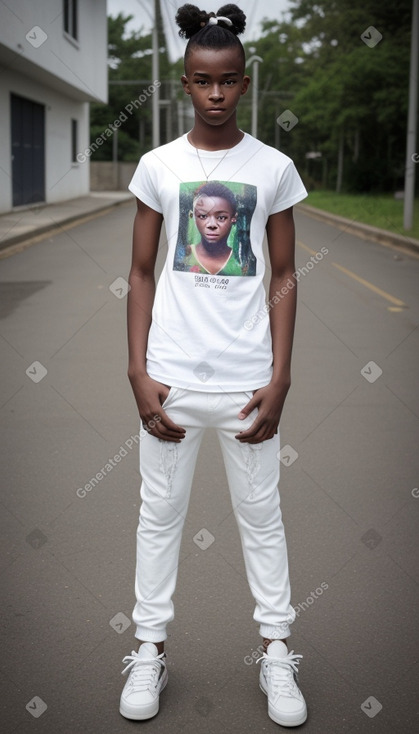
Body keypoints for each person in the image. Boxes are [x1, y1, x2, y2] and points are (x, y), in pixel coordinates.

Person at [120, 3, 308, 728]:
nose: (216, 94)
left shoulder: (273, 167)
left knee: (261, 519)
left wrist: (281, 376)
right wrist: (137, 373)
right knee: (157, 517)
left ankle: (276, 651)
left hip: (246, 386)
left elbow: (284, 275)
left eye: (228, 82)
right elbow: (139, 274)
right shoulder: (158, 166)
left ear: (246, 82)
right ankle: (147, 649)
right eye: (202, 82)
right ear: (184, 83)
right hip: (169, 380)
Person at [177, 181, 249, 275]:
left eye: (221, 217)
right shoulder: (183, 258)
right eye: (203, 216)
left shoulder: (241, 262)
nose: (212, 225)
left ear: (233, 218)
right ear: (194, 217)